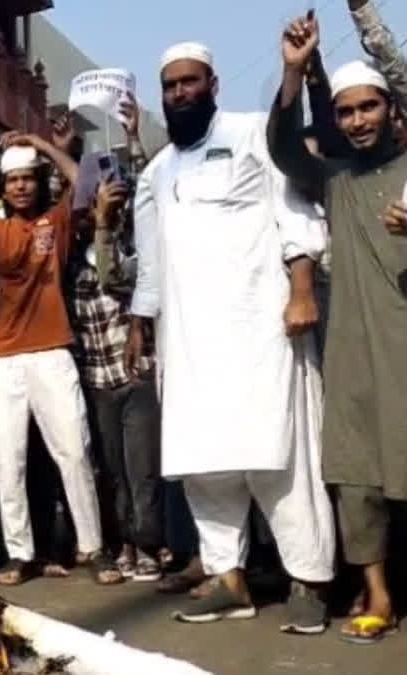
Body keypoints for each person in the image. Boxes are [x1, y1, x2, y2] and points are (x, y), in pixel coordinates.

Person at [128, 41, 334, 632]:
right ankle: (227, 578)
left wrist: (301, 289)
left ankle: (310, 579)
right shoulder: (156, 171)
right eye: (170, 87)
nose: (179, 94)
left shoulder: (251, 134)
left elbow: (295, 208)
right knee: (204, 462)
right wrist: (142, 323)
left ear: (213, 84)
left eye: (189, 82)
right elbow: (150, 259)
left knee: (281, 458)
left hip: (260, 329)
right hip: (188, 340)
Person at [269, 14, 407, 645]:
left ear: (390, 106)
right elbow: (286, 149)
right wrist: (295, 72)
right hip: (353, 347)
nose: (357, 121)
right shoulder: (336, 179)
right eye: (347, 112)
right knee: (357, 476)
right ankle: (377, 593)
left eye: (369, 107)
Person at [0, 127, 118, 587]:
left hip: (52, 354)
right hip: (2, 360)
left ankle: (93, 548)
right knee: (7, 458)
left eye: (28, 178)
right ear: (3, 189)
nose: (21, 186)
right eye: (13, 180)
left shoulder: (56, 223)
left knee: (75, 453)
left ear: (39, 183)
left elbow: (81, 180)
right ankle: (20, 554)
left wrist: (41, 144)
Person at [71, 146, 164, 582]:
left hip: (137, 372)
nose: (106, 205)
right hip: (97, 377)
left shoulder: (134, 245)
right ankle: (124, 542)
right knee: (113, 471)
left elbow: (119, 279)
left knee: (142, 468)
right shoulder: (70, 256)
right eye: (97, 198)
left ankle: (148, 544)